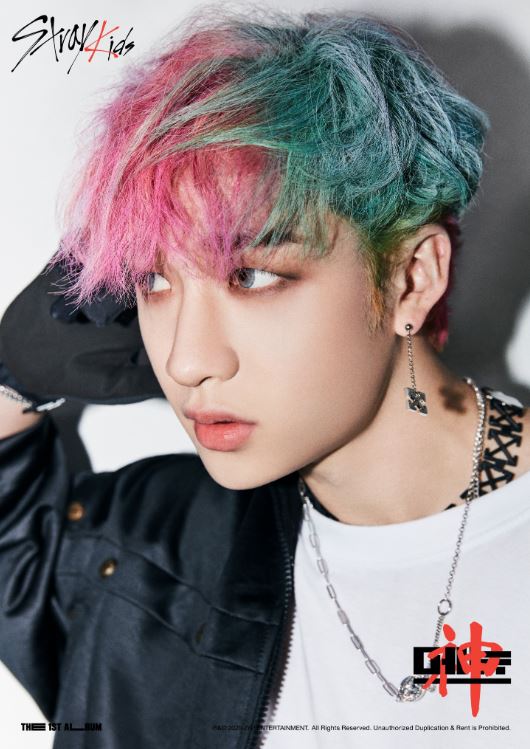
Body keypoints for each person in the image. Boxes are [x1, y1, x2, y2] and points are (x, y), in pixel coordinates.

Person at [1, 9, 529, 748]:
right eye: (152, 280)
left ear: (412, 278)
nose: (186, 360)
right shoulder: (163, 552)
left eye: (251, 275)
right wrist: (14, 382)